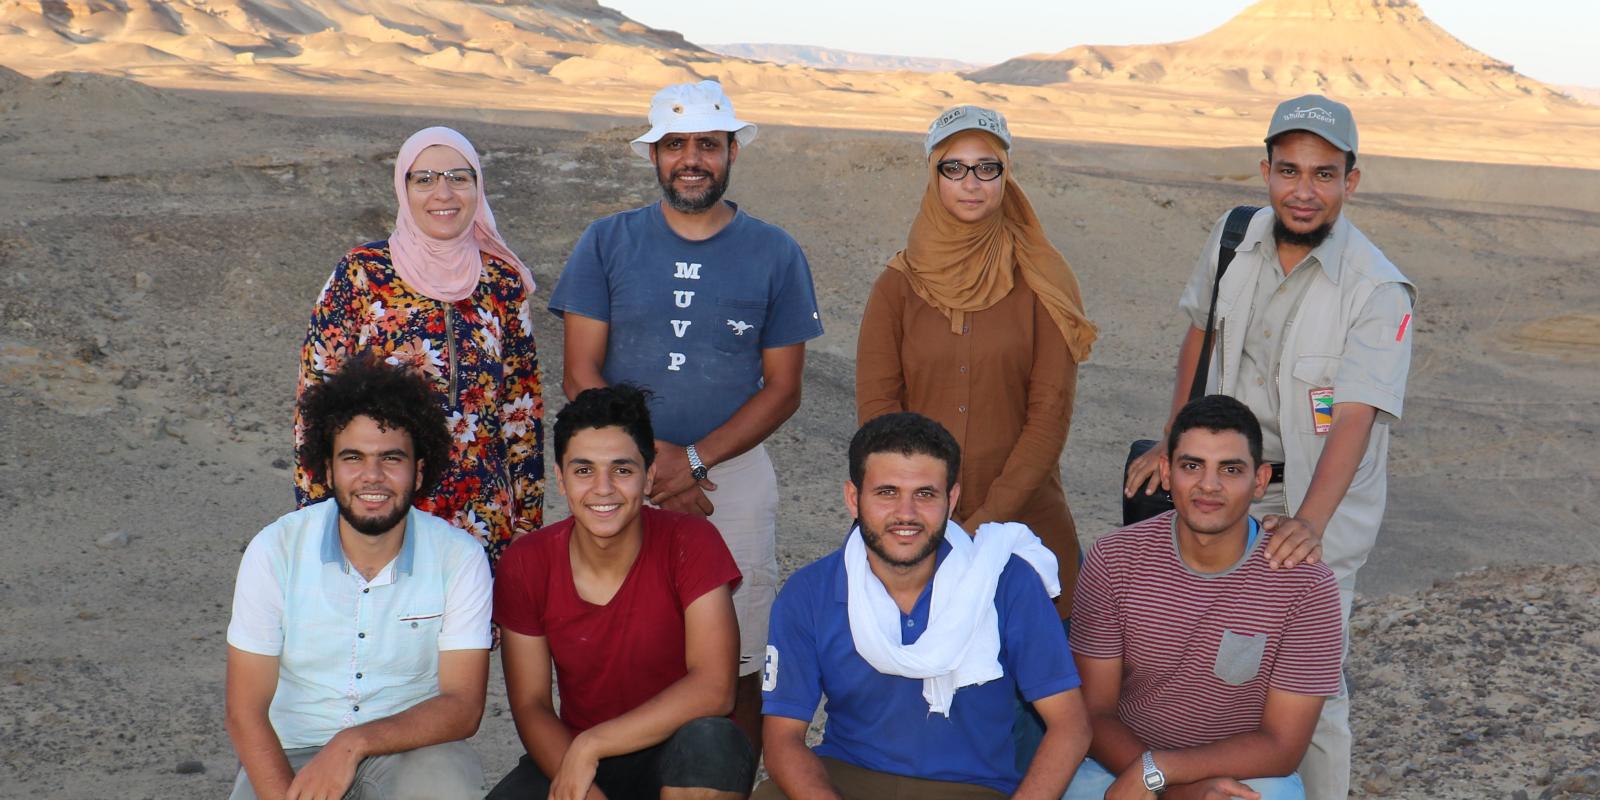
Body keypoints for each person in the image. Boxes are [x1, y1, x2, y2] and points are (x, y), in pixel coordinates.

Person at [1123, 94, 1416, 800]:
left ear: (1352, 179)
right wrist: (1174, 442)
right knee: (1191, 650)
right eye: (1289, 171)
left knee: (1310, 677)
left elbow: (1353, 418)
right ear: (1265, 170)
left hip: (1319, 494)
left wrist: (1309, 525)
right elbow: (1201, 332)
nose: (1303, 190)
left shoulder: (1377, 290)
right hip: (1225, 481)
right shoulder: (1234, 238)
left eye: (1323, 173)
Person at [549, 79, 823, 754]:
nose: (691, 158)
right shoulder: (606, 241)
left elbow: (783, 388)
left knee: (739, 647)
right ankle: (602, 769)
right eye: (675, 145)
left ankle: (725, 778)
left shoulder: (776, 251)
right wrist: (648, 464)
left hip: (730, 476)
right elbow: (579, 371)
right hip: (617, 474)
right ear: (654, 156)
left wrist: (693, 460)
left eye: (708, 143)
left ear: (732, 152)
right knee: (609, 636)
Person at [756, 412, 1091, 799]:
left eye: (925, 494)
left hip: (968, 788)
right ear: (853, 498)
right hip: (848, 778)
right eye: (887, 492)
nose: (906, 514)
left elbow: (1070, 725)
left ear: (952, 498)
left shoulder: (1005, 581)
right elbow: (783, 739)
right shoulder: (810, 591)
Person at [855, 104, 1096, 623]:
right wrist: (925, 514)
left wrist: (981, 524)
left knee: (1029, 695)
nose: (972, 182)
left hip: (1026, 532)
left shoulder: (1044, 281)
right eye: (954, 167)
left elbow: (1049, 414)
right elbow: (878, 414)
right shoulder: (897, 287)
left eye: (987, 167)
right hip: (913, 531)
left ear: (1005, 176)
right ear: (934, 174)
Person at [226, 356, 491, 800]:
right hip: (290, 753)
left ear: (419, 471)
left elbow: (463, 707)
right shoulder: (275, 550)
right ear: (328, 470)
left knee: (447, 785)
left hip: (412, 750)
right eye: (353, 457)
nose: (373, 476)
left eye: (391, 458)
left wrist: (352, 743)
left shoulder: (459, 557)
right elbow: (244, 710)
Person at [1068, 395, 1343, 800]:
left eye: (1230, 469)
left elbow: (1283, 746)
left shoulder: (1304, 585)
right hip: (1116, 766)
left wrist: (1163, 770)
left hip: (1243, 774)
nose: (1209, 485)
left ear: (1260, 481)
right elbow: (1095, 713)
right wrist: (1173, 791)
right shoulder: (1114, 560)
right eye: (1192, 465)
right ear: (1166, 470)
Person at [487, 384, 755, 800]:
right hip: (582, 755)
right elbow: (531, 705)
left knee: (713, 742)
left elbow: (715, 687)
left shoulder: (690, 541)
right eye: (583, 470)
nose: (603, 488)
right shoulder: (527, 561)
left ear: (649, 476)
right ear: (560, 478)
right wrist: (582, 775)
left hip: (679, 748)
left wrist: (592, 745)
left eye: (622, 469)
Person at [295, 125, 543, 565]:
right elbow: (315, 407)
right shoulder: (361, 274)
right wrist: (314, 517)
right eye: (424, 178)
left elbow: (520, 413)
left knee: (471, 633)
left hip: (481, 519)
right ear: (403, 188)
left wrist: (527, 523)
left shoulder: (502, 284)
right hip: (381, 511)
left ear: (477, 187)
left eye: (458, 177)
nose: (442, 193)